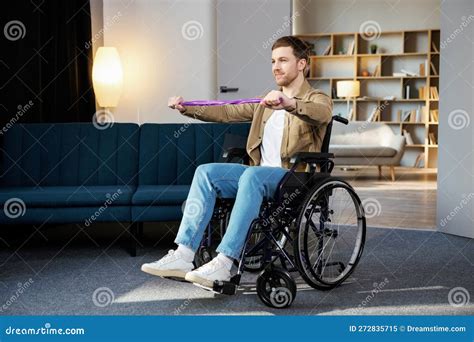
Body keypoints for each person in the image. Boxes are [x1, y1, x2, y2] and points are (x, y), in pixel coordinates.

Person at [141, 36, 333, 288]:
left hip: (294, 178)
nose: (276, 66)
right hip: (260, 175)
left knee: (252, 176)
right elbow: (227, 111)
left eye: (283, 60)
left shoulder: (317, 98)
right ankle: (184, 254)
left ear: (301, 64)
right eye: (273, 61)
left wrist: (290, 104)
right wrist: (186, 108)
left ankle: (224, 262)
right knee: (206, 172)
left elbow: (323, 114)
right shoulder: (265, 102)